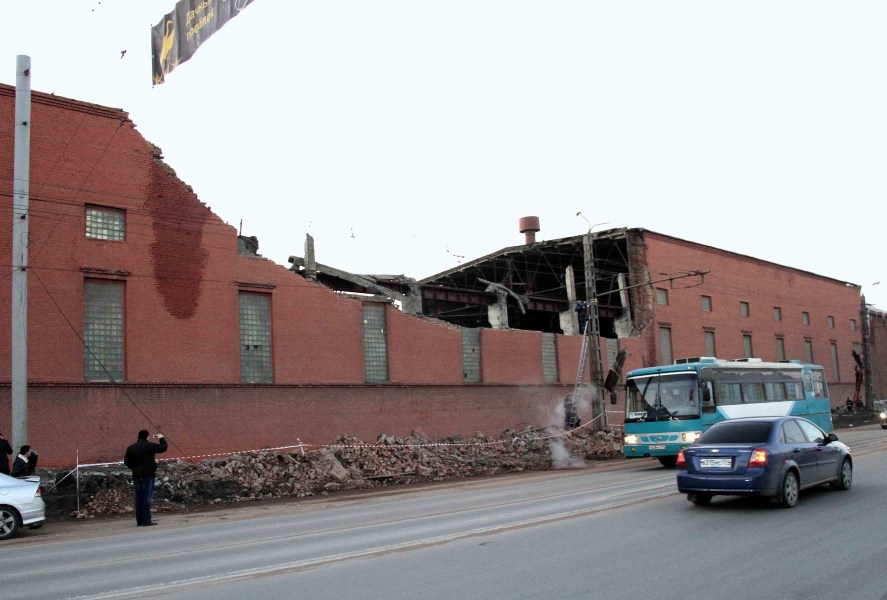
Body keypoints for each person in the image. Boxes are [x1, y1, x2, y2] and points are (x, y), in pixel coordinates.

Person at [123, 430, 168, 527]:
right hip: (148, 474)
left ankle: (139, 521)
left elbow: (126, 461)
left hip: (137, 475)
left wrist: (134, 468)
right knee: (147, 498)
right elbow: (163, 448)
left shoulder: (131, 448)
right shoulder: (149, 446)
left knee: (139, 498)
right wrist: (161, 438)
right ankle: (147, 521)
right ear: (147, 437)